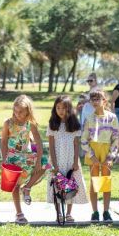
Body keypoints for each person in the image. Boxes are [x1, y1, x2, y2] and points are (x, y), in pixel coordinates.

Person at [1, 95, 46, 225]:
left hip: (26, 156)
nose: (17, 114)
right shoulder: (8, 123)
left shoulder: (30, 124)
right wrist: (4, 159)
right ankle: (19, 214)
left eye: (21, 111)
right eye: (15, 111)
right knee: (15, 185)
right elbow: (3, 141)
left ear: (28, 111)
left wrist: (38, 160)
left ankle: (27, 188)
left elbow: (39, 143)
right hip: (13, 158)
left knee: (45, 165)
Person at [47, 95, 87, 224]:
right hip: (57, 160)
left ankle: (69, 213)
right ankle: (58, 213)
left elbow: (76, 145)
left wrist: (75, 162)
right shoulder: (52, 124)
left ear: (69, 109)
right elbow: (51, 146)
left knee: (70, 185)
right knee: (57, 186)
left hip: (70, 160)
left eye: (63, 108)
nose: (60, 110)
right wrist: (54, 164)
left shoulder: (74, 125)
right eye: (58, 108)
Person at [81, 88, 119, 223]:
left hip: (106, 152)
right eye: (93, 99)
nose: (95, 101)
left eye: (98, 99)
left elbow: (115, 138)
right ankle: (95, 212)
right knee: (94, 183)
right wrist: (91, 155)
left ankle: (106, 211)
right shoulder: (89, 118)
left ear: (104, 101)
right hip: (93, 152)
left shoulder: (112, 117)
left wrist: (111, 156)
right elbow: (84, 139)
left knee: (105, 182)